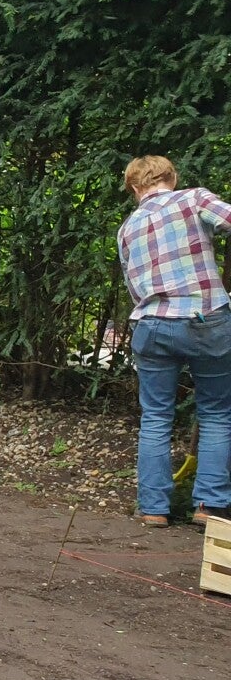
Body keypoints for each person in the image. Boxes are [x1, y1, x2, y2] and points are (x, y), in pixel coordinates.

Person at [116, 155, 231, 529]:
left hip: (151, 324)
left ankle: (153, 508)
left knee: (155, 416)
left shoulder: (127, 228)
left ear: (135, 188)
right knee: (216, 413)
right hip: (205, 318)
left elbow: (134, 287)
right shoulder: (194, 199)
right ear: (172, 177)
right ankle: (209, 506)